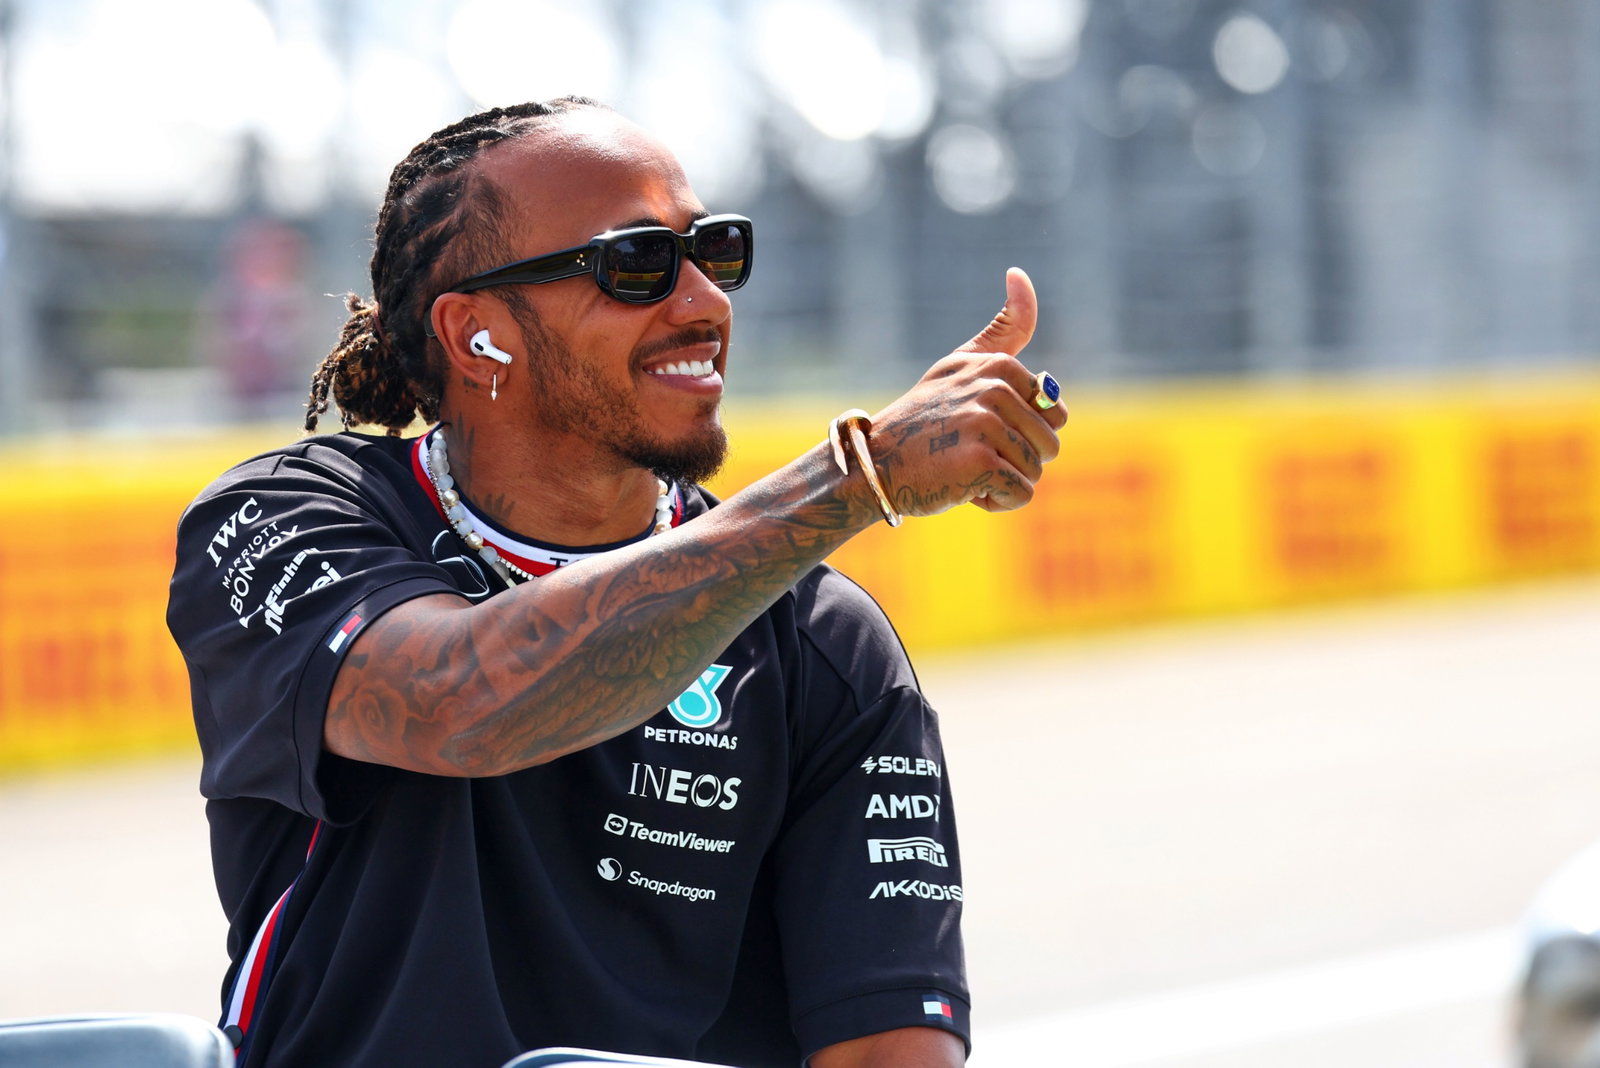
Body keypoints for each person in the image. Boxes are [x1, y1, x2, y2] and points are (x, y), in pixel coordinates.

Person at [166, 96, 1067, 1068]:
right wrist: (856, 478)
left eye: (713, 251)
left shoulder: (824, 644)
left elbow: (888, 1051)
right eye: (636, 264)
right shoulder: (284, 518)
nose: (704, 301)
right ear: (477, 336)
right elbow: (456, 701)